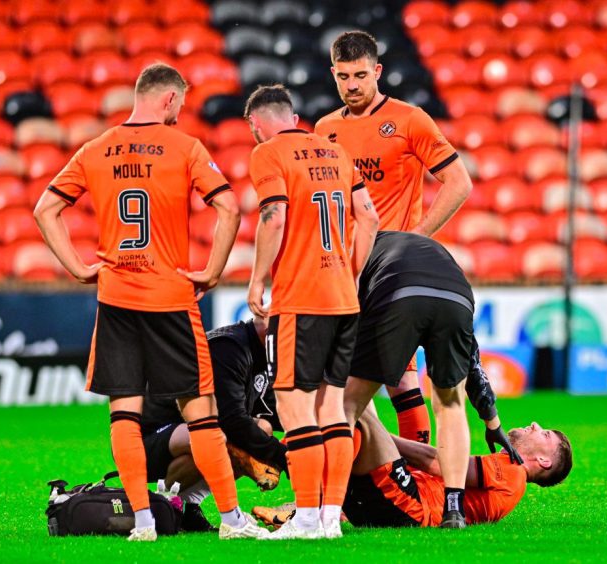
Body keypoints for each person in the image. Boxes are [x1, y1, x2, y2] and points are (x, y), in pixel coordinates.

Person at [34, 63, 267, 541]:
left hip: (116, 298)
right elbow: (228, 206)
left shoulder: (95, 149)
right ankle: (230, 519)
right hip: (169, 297)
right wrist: (213, 271)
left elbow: (46, 209)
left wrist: (79, 268)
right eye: (179, 102)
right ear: (168, 99)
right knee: (200, 412)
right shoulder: (183, 147)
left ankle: (142, 522)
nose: (180, 111)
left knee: (125, 413)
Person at [315, 30, 474, 447]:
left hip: (392, 270)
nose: (352, 85)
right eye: (344, 76)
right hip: (345, 269)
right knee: (338, 381)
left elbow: (458, 182)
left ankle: (414, 474)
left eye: (361, 75)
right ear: (333, 74)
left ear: (378, 71)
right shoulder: (324, 129)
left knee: (399, 380)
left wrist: (415, 239)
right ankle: (361, 478)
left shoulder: (408, 119)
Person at [245, 84, 380, 539]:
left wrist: (257, 278)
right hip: (344, 297)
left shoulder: (268, 153)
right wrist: (352, 271)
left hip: (301, 299)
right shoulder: (333, 152)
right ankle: (328, 519)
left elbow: (274, 216)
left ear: (256, 124)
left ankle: (304, 519)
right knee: (333, 408)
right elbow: (370, 216)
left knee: (294, 405)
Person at [342, 230, 495, 528]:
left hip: (399, 291)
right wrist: (492, 421)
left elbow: (344, 317)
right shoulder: (420, 246)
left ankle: (325, 505)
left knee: (348, 404)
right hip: (458, 296)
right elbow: (473, 359)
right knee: (450, 405)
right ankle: (454, 510)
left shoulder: (352, 248)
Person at [140, 317, 287, 530]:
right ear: (269, 332)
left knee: (260, 429)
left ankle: (190, 505)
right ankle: (163, 503)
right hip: (151, 437)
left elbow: (274, 412)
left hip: (193, 430)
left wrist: (305, 440)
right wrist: (281, 457)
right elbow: (231, 420)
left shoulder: (257, 352)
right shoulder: (228, 348)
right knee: (211, 436)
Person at [341, 407, 573, 528]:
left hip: (410, 505)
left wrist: (383, 437)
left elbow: (435, 462)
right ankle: (329, 500)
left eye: (544, 434)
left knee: (354, 406)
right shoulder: (512, 481)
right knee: (353, 416)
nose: (535, 425)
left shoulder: (513, 472)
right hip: (400, 503)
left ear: (544, 461)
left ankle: (317, 501)